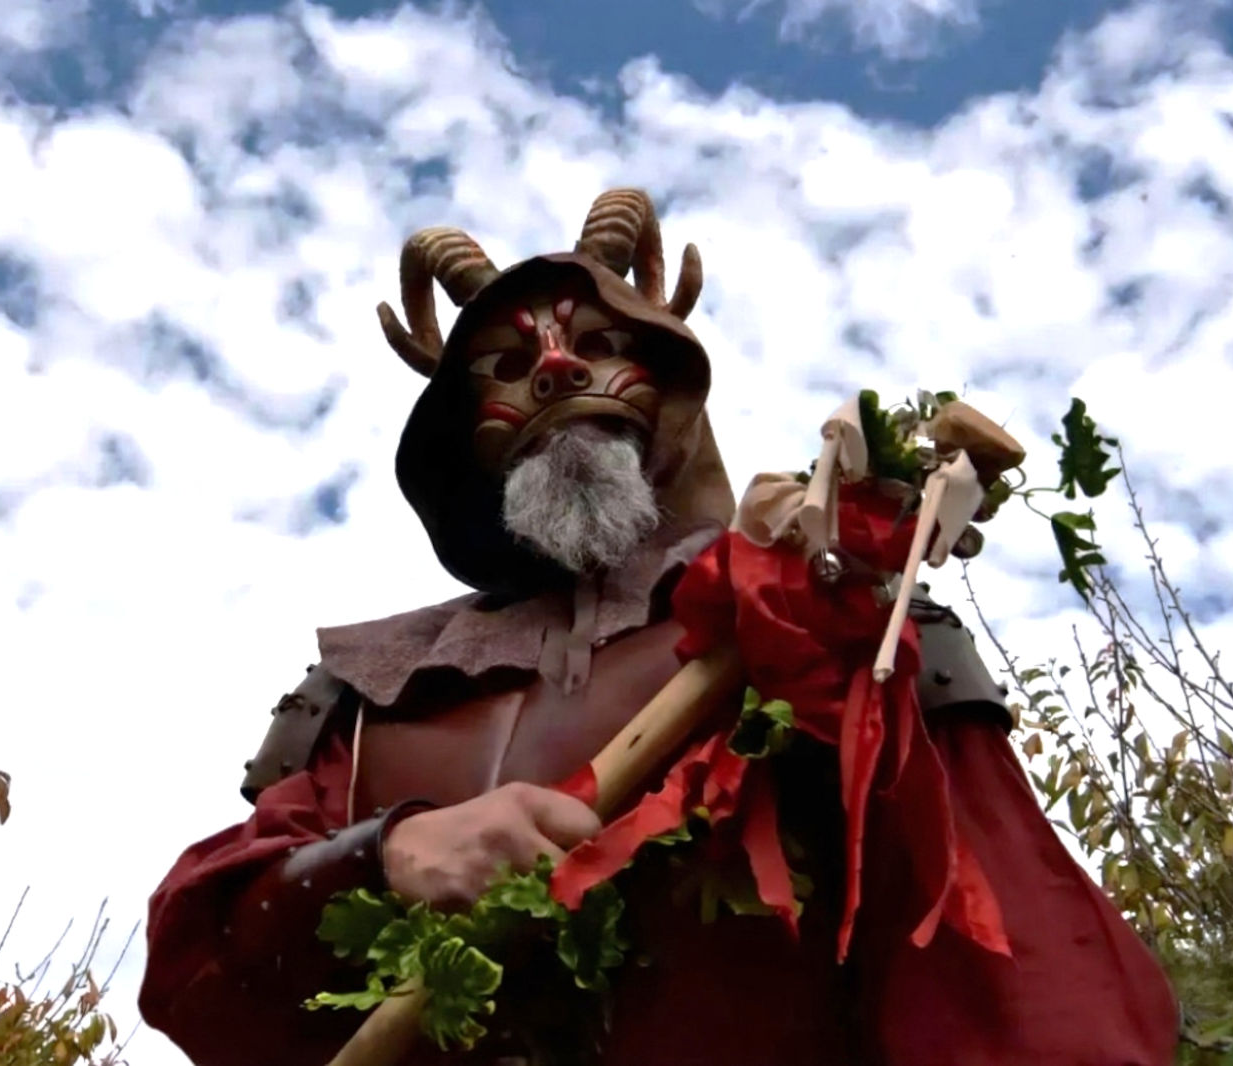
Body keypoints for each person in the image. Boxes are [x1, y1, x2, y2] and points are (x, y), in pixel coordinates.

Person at [138, 189, 1180, 1066]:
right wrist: (387, 854)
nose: (553, 370)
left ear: (665, 380)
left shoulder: (815, 603)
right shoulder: (366, 693)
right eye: (505, 365)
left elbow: (1010, 962)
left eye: (595, 344)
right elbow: (200, 971)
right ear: (465, 434)